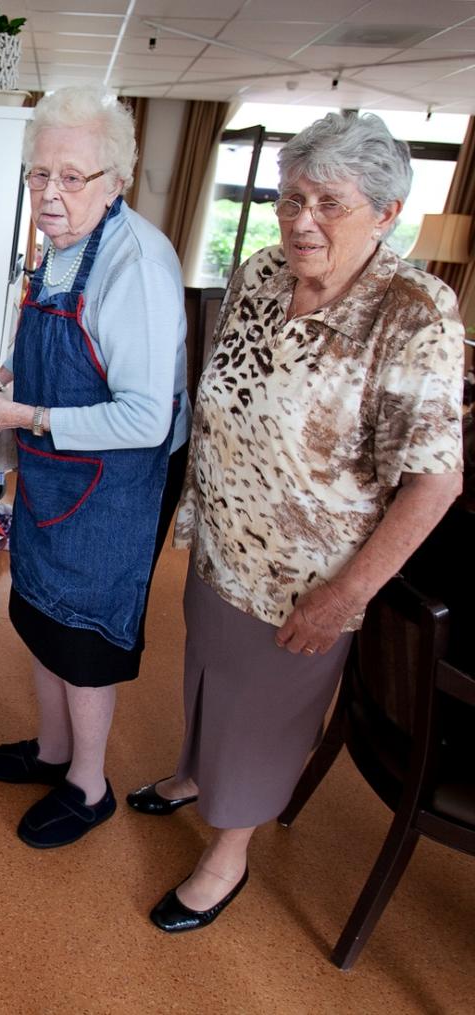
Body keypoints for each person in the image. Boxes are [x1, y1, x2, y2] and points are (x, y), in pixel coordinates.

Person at [129, 111, 464, 933]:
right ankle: (193, 773)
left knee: (267, 714)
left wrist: (346, 595)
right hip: (219, 545)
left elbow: (434, 483)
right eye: (292, 196)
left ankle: (226, 855)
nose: (301, 219)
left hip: (304, 576)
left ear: (387, 213)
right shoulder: (260, 270)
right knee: (209, 671)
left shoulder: (415, 314)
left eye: (329, 203)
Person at [0, 86, 190, 848]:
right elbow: (58, 368)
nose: (49, 193)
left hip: (115, 483)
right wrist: (10, 393)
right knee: (41, 615)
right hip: (57, 473)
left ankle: (88, 785)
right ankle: (53, 750)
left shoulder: (137, 264)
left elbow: (145, 416)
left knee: (83, 638)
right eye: (38, 174)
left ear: (116, 179)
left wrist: (27, 418)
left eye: (72, 176)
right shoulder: (59, 251)